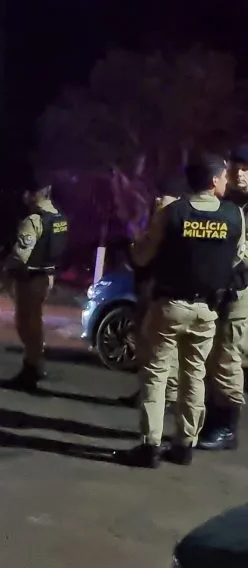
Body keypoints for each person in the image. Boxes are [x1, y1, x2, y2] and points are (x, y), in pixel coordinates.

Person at [125, 154, 246, 468]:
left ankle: (150, 445)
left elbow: (141, 256)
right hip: (207, 310)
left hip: (169, 306)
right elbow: (237, 261)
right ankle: (184, 445)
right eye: (222, 176)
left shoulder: (173, 211)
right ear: (212, 181)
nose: (225, 181)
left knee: (156, 374)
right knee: (195, 375)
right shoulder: (235, 216)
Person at [119, 179, 186, 408]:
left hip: (159, 293)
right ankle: (152, 392)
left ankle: (167, 396)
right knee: (148, 347)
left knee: (161, 349)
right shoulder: (157, 226)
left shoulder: (173, 229)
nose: (158, 203)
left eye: (163, 201)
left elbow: (141, 256)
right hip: (148, 290)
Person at [198, 147, 248, 451]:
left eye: (247, 168)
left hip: (241, 290)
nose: (240, 174)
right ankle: (213, 417)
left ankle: (226, 427)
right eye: (237, 167)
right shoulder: (229, 203)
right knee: (215, 354)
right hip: (221, 288)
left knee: (228, 354)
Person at [2, 181, 69, 391]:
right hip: (47, 276)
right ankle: (35, 363)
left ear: (35, 194)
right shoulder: (59, 217)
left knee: (25, 323)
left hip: (30, 279)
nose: (24, 196)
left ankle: (33, 366)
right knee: (35, 322)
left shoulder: (34, 220)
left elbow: (21, 255)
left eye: (28, 192)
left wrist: (6, 272)